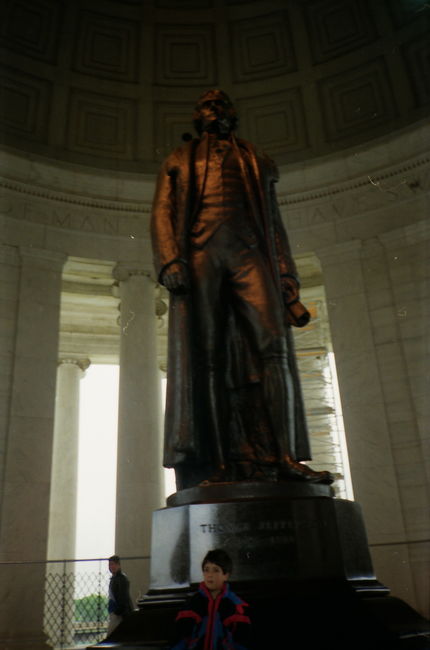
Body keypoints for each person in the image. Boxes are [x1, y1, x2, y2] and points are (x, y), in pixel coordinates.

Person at [151, 88, 333, 489]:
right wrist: (170, 261)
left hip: (251, 253)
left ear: (232, 113)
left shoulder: (255, 159)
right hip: (201, 254)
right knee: (209, 360)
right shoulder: (179, 160)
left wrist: (286, 276)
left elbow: (274, 222)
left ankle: (283, 456)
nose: (214, 110)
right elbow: (162, 212)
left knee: (274, 349)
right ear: (197, 117)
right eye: (206, 105)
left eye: (221, 105)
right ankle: (217, 464)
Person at [171, 549, 251, 650]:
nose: (210, 574)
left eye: (216, 570)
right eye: (206, 569)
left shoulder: (236, 606)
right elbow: (180, 639)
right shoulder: (192, 604)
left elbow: (242, 643)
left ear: (226, 575)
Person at [107, 555, 134, 634]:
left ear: (118, 565)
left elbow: (123, 596)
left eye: (113, 564)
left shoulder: (120, 579)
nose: (111, 566)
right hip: (118, 611)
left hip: (118, 612)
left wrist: (118, 611)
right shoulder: (117, 578)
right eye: (110, 565)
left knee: (111, 634)